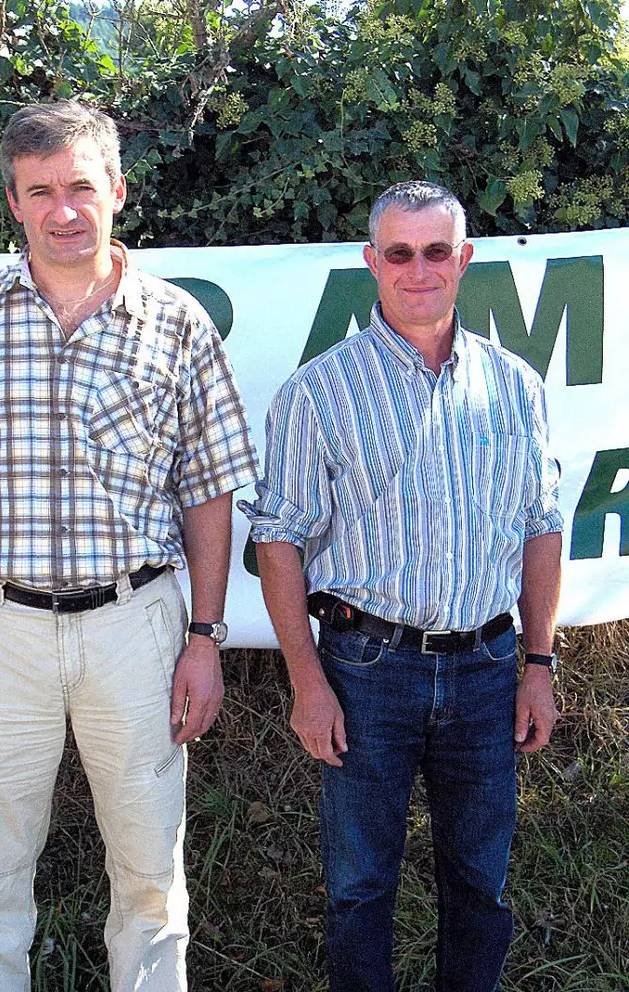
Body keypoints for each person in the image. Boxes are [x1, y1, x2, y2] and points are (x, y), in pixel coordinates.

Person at [0, 100, 258, 991]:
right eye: (39, 190)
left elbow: (208, 494)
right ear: (13, 201)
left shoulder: (175, 325)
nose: (63, 210)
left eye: (80, 187)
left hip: (135, 629)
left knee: (148, 879)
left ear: (117, 191)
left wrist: (204, 639)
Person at [240, 181, 562, 992]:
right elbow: (278, 542)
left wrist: (539, 664)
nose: (418, 269)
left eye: (436, 250)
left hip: (490, 670)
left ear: (464, 259)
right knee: (358, 889)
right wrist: (306, 681)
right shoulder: (320, 390)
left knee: (480, 885)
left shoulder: (514, 384)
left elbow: (539, 525)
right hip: (364, 671)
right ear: (369, 262)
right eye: (399, 252)